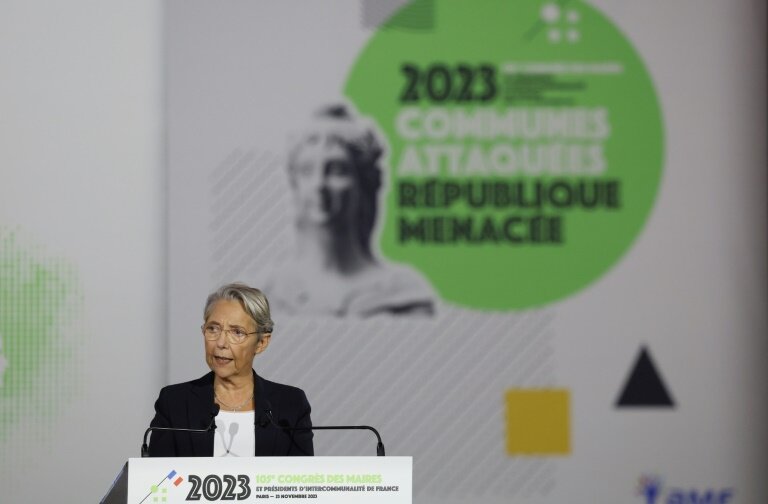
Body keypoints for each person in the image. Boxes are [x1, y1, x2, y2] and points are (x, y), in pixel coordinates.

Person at [263, 104, 435, 317]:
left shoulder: (403, 296)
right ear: (295, 183)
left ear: (363, 183)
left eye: (336, 170)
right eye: (307, 170)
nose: (319, 184)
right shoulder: (268, 293)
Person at [147, 283, 313, 456]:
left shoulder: (290, 405)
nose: (221, 343)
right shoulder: (175, 402)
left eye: (237, 332)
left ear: (262, 342)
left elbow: (301, 479)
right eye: (213, 329)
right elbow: (158, 479)